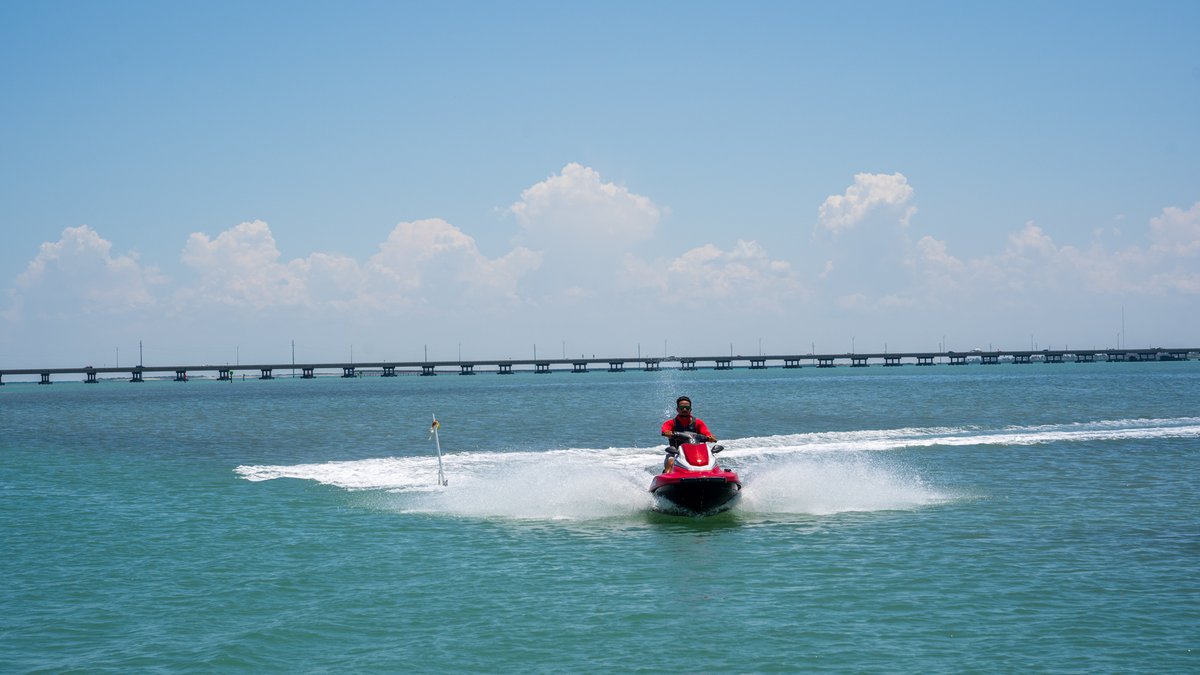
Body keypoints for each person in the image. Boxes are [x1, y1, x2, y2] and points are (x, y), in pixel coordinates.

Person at [660, 396, 717, 471]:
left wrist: (710, 437)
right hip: (676, 453)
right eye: (682, 407)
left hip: (697, 454)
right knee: (670, 461)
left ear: (690, 409)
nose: (684, 409)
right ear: (677, 409)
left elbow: (707, 433)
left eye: (687, 407)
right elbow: (665, 430)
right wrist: (667, 432)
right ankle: (666, 478)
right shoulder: (670, 423)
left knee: (712, 461)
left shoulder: (698, 423)